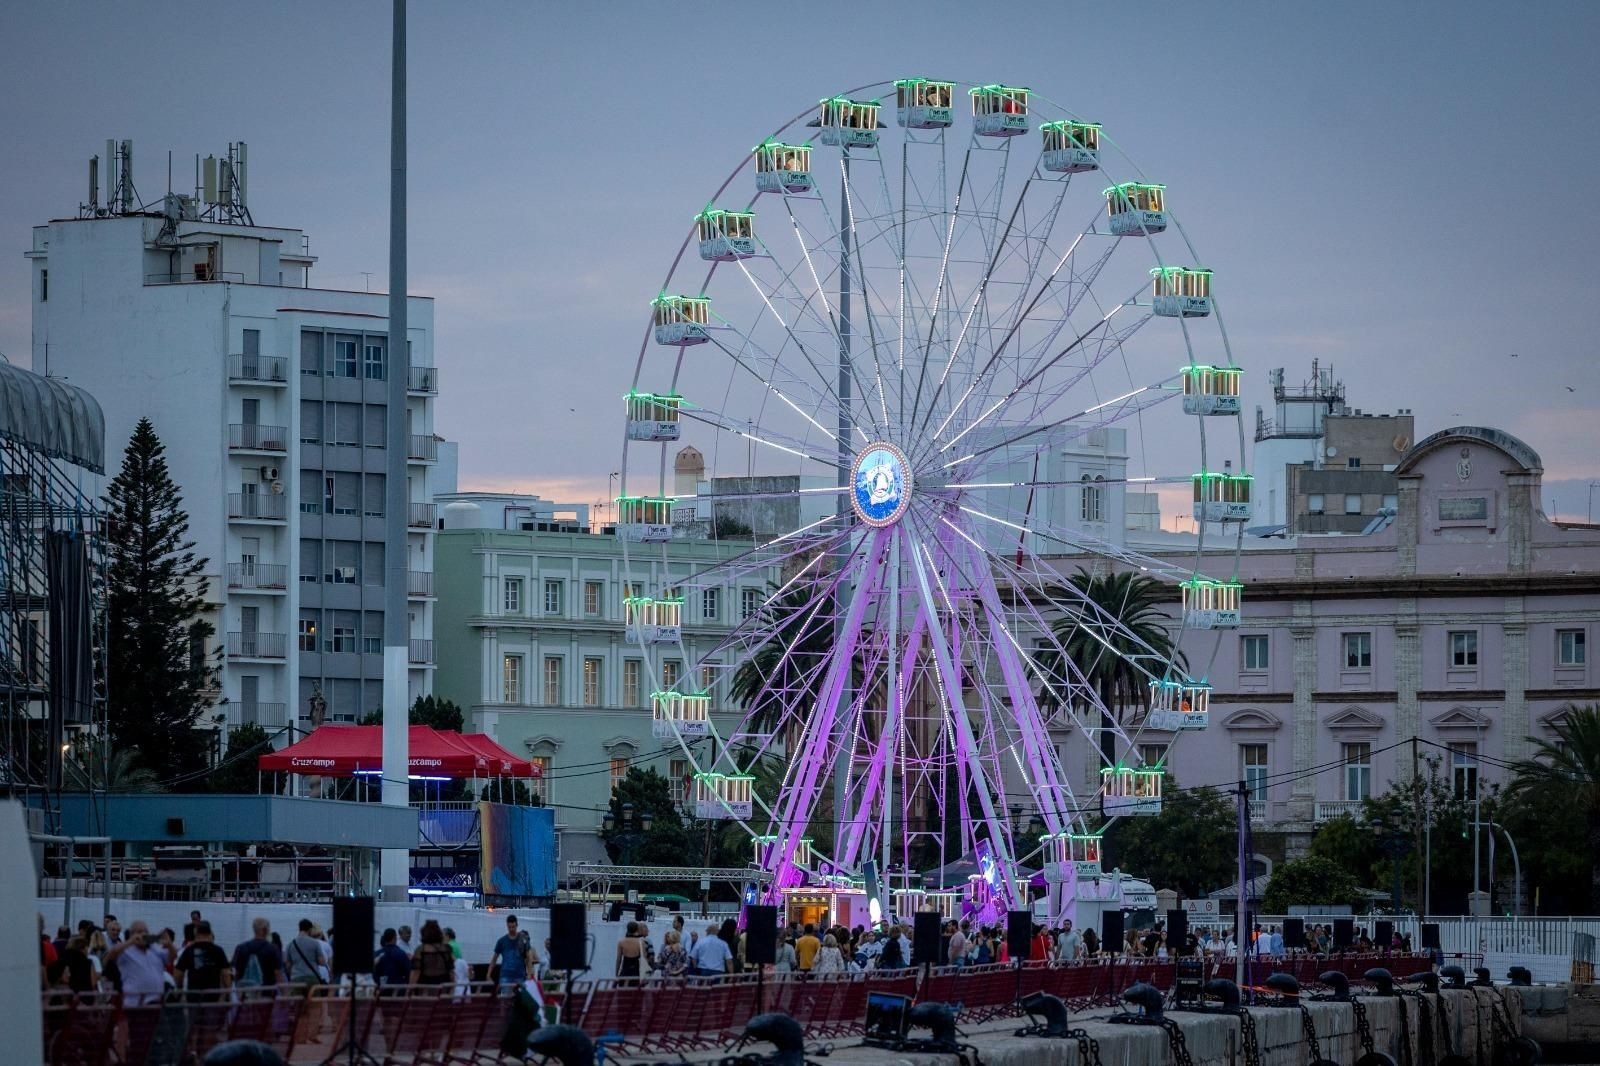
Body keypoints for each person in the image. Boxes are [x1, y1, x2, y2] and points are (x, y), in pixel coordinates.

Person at [104, 920, 169, 1006]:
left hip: (151, 1000)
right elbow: (108, 959)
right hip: (129, 997)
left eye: (117, 930)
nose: (115, 932)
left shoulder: (150, 949)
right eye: (113, 930)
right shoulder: (116, 947)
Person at [176, 922, 232, 997]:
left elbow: (179, 973)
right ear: (210, 933)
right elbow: (226, 974)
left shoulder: (189, 950)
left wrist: (179, 989)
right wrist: (228, 994)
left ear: (195, 932)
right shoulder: (218, 950)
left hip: (193, 995)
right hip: (213, 995)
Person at [492, 915, 534, 990]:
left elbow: (529, 957)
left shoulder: (523, 939)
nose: (511, 929)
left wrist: (530, 974)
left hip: (520, 976)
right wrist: (488, 974)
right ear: (507, 926)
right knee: (506, 999)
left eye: (513, 927)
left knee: (520, 999)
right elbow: (494, 959)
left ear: (517, 925)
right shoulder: (502, 941)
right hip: (506, 976)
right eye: (509, 927)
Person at [409, 921, 454, 987]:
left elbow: (416, 972)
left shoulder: (421, 949)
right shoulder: (447, 948)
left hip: (425, 987)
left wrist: (410, 989)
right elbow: (451, 971)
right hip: (443, 987)